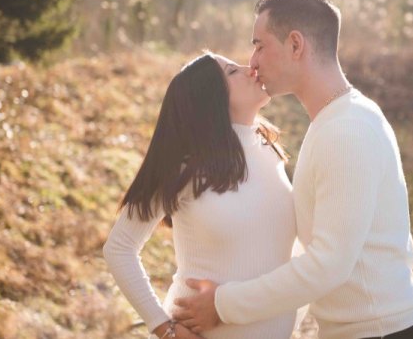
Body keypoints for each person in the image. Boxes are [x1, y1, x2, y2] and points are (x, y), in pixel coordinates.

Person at [173, 0, 413, 339]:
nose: (252, 62)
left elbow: (327, 265)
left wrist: (222, 306)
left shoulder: (346, 130)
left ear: (296, 45)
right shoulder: (336, 121)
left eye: (259, 45)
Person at [102, 53, 298, 339]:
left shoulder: (269, 150)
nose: (250, 68)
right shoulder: (185, 166)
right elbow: (119, 248)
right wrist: (164, 328)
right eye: (232, 71)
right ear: (212, 100)